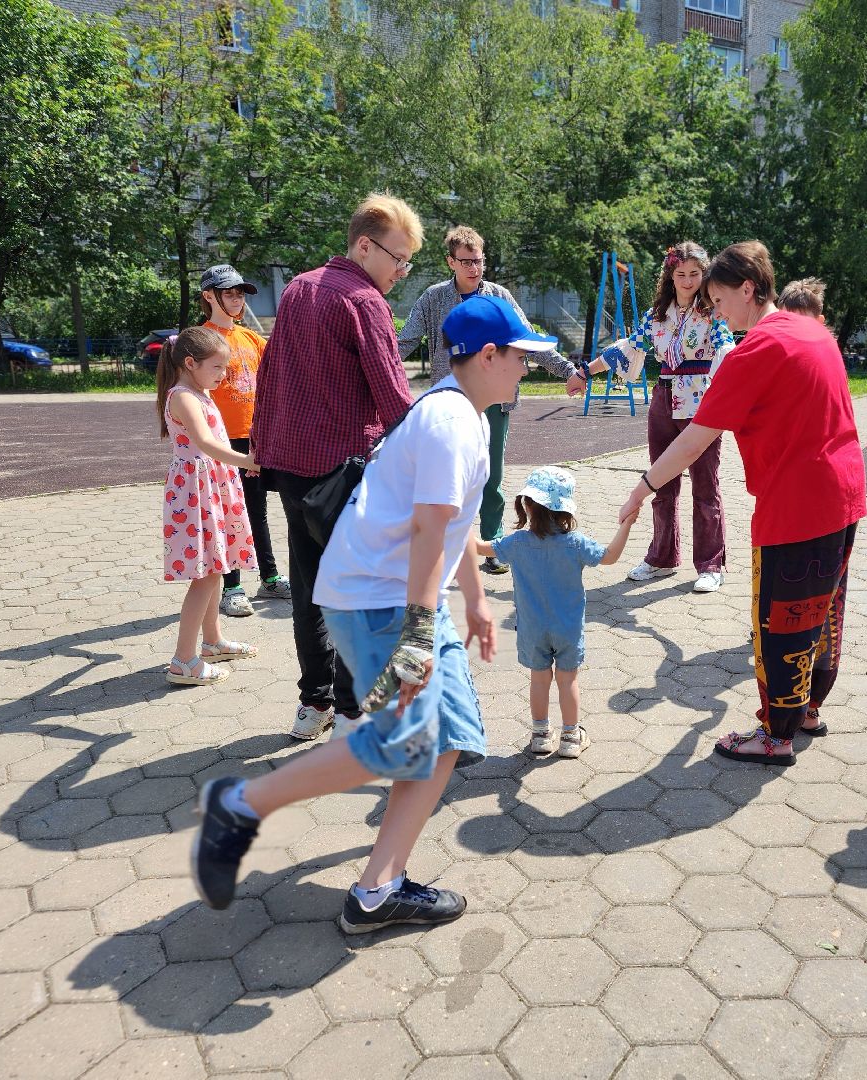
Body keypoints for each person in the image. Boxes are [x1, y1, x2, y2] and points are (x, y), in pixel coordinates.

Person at [190, 294, 546, 931]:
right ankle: (238, 804)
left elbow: (454, 522)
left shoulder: (462, 414)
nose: (527, 368)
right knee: (394, 748)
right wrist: (417, 630)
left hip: (397, 599)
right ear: (487, 355)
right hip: (384, 603)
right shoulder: (451, 422)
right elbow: (428, 529)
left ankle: (377, 889)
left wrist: (478, 598)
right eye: (521, 356)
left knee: (447, 742)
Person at [617, 241, 866, 767]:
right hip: (843, 496)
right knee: (824, 613)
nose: (716, 310)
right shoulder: (812, 331)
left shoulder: (753, 351)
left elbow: (692, 441)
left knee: (782, 620)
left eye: (719, 298)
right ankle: (809, 711)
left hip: (795, 507)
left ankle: (776, 736)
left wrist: (643, 487)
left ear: (748, 289)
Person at [251, 194, 420, 741]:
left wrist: (262, 448)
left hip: (292, 471)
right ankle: (353, 713)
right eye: (399, 258)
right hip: (345, 471)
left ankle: (313, 704)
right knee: (359, 593)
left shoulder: (299, 287)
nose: (402, 270)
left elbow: (270, 373)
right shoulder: (363, 299)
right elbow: (395, 400)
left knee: (310, 590)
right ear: (364, 245)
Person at [399, 225, 587, 576]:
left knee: (490, 477)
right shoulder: (433, 298)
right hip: (451, 403)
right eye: (466, 262)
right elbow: (404, 342)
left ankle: (491, 543)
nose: (474, 268)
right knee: (446, 477)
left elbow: (528, 339)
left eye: (479, 261)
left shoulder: (500, 296)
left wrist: (568, 372)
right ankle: (442, 547)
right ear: (450, 262)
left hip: (495, 402)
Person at [582, 241, 735, 594]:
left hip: (702, 404)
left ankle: (711, 564)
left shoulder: (714, 313)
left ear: (704, 274)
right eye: (680, 274)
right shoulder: (657, 316)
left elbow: (728, 351)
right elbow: (628, 348)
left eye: (694, 274)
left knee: (706, 485)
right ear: (670, 274)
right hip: (664, 400)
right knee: (661, 483)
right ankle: (663, 558)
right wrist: (584, 372)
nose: (687, 280)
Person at [473, 466, 637, 759]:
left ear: (527, 505)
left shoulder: (516, 543)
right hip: (568, 628)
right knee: (567, 679)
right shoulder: (574, 543)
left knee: (538, 678)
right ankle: (571, 737)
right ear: (564, 510)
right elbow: (610, 557)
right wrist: (626, 525)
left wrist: (455, 521)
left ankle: (539, 735)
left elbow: (480, 548)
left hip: (532, 627)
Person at [158, 326, 260, 686]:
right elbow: (203, 441)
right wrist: (248, 461)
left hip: (210, 486)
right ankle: (184, 661)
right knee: (206, 575)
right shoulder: (183, 396)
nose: (224, 374)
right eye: (217, 367)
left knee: (217, 566)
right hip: (197, 491)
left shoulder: (198, 392)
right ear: (190, 362)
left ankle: (213, 642)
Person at [198, 264, 290, 619]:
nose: (236, 299)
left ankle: (268, 577)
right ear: (209, 296)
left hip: (255, 440)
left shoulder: (252, 339)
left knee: (257, 511)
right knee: (227, 514)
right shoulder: (202, 339)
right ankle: (231, 586)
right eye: (229, 293)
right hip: (220, 442)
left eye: (240, 294)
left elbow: (278, 377)